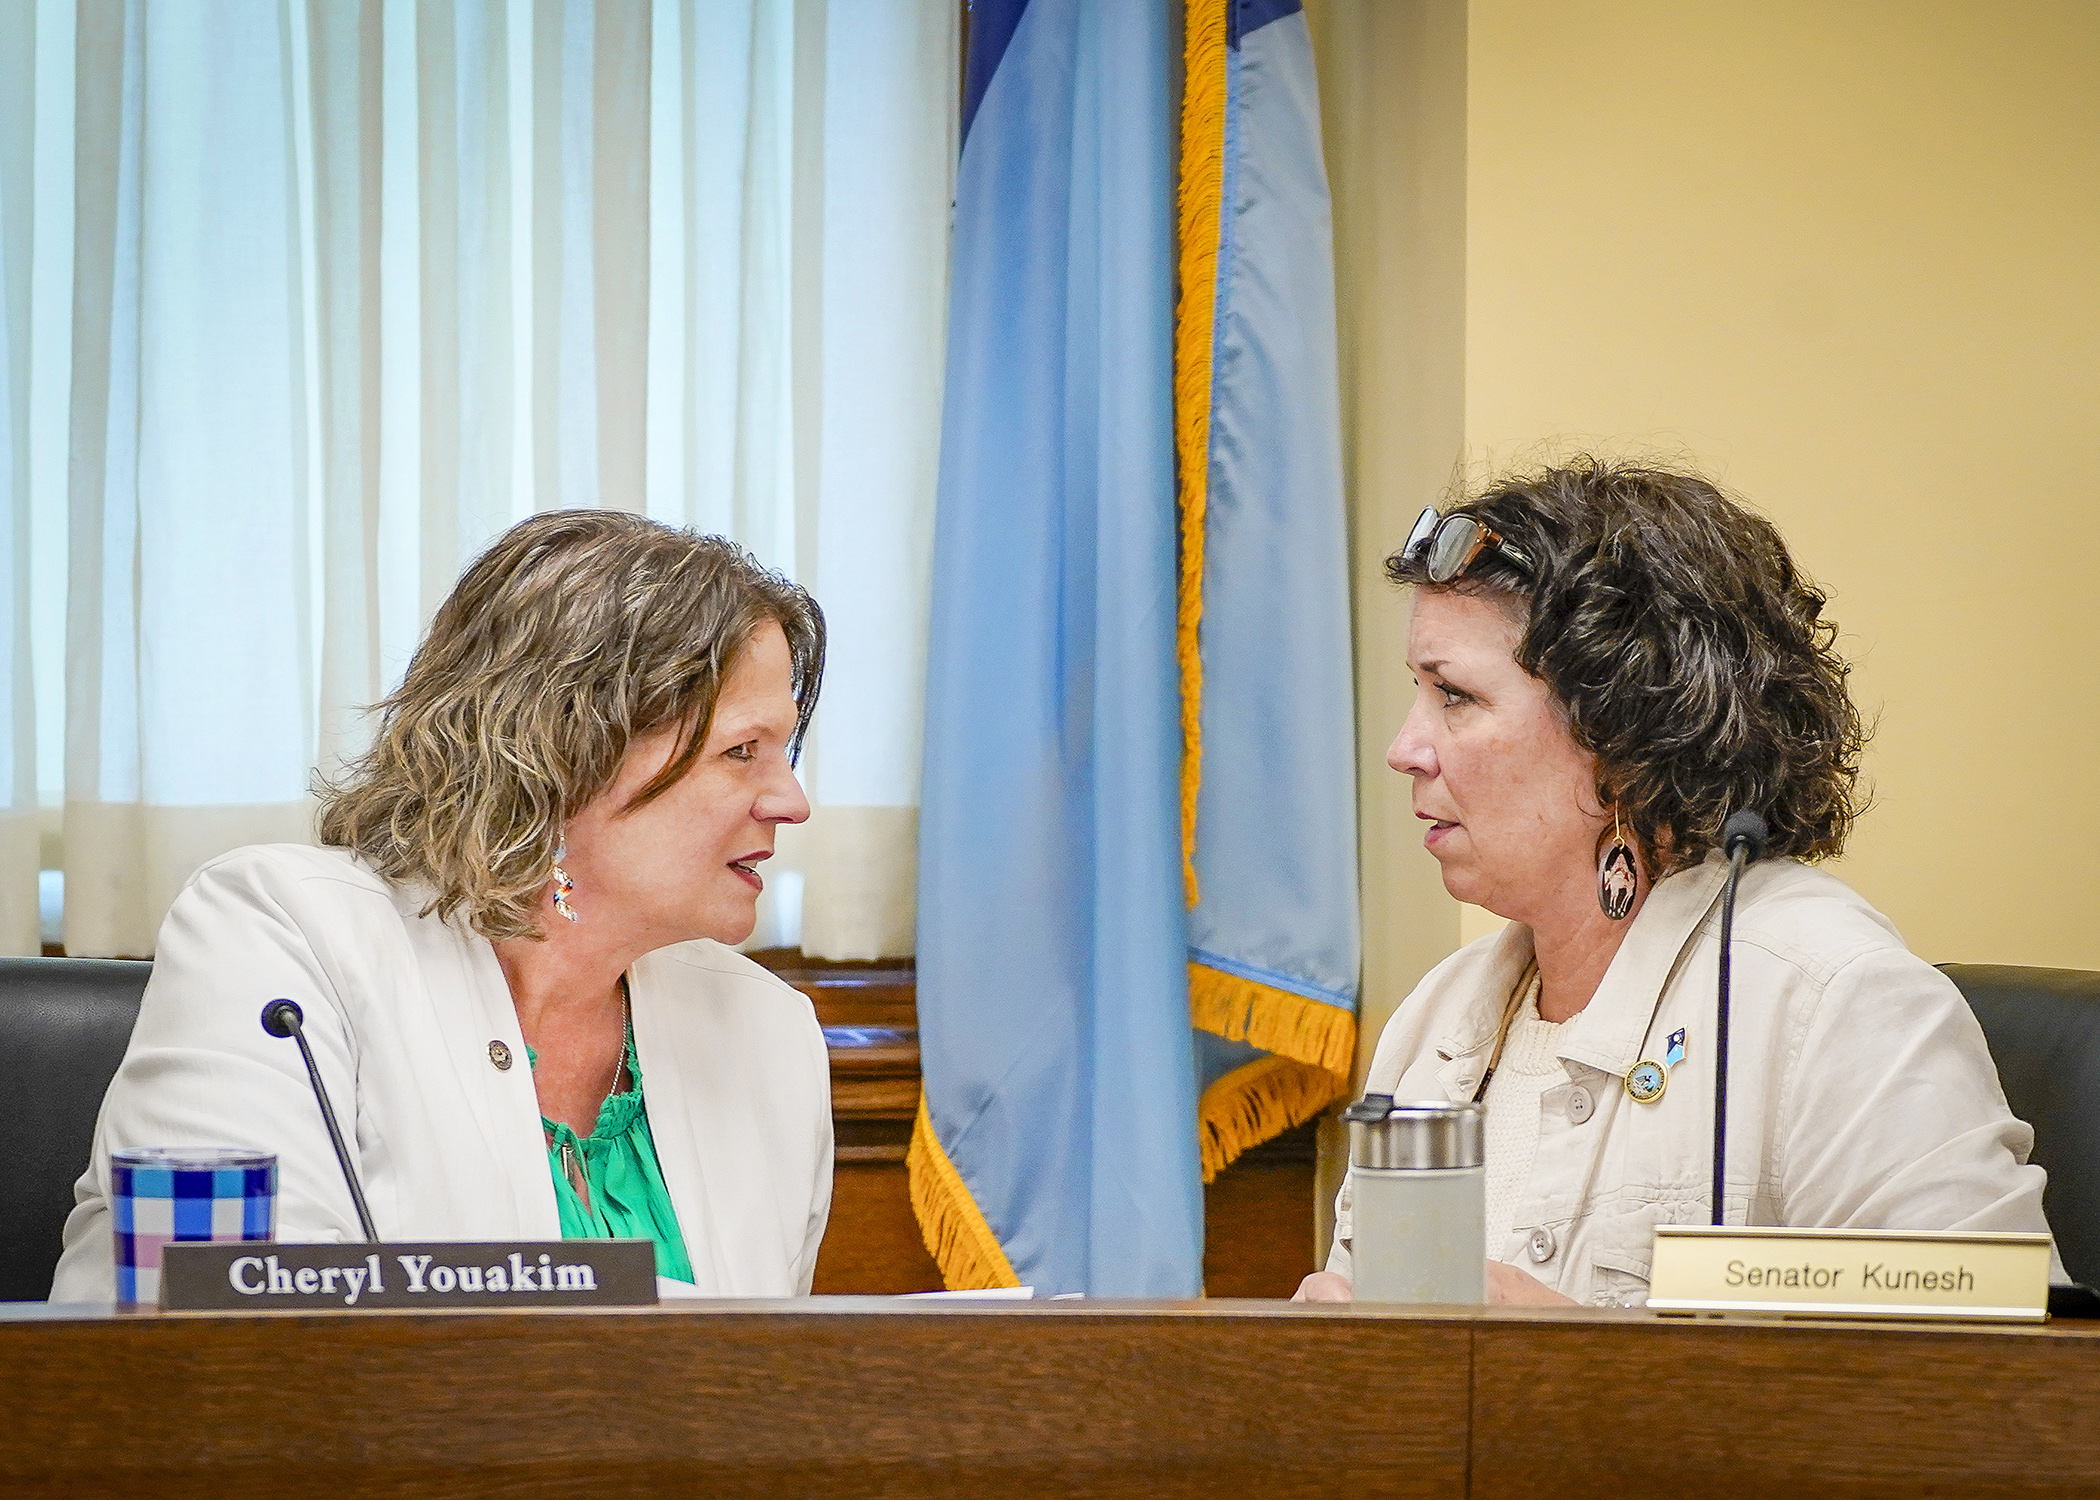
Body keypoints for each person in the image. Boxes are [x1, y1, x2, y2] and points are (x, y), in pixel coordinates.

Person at [1297, 459, 2052, 1307]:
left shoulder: (1835, 1000)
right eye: (1418, 692)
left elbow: (1997, 1393)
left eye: (1456, 697)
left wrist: (1584, 1377)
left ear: (1623, 735)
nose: (1406, 748)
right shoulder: (1432, 1024)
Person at [52, 512, 833, 1300]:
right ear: (569, 752)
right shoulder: (281, 937)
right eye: (742, 751)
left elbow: (770, 1387)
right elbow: (220, 1324)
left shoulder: (768, 1034)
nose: (791, 801)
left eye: (784, 752)